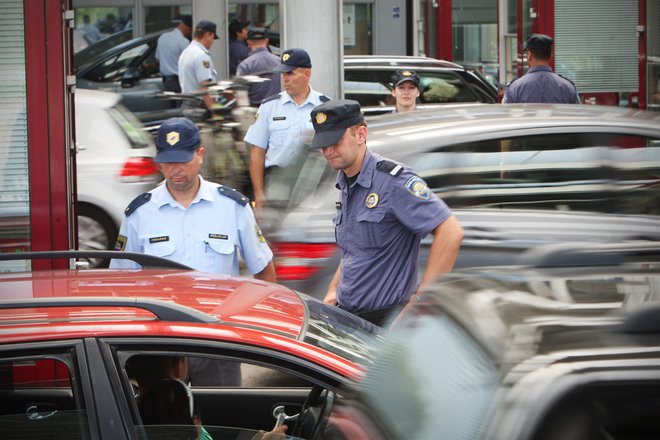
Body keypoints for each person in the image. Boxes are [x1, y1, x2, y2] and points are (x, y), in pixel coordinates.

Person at [110, 118, 276, 384]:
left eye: (183, 160)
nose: (176, 170)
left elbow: (264, 270)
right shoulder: (140, 213)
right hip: (162, 346)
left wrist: (255, 329)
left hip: (218, 343)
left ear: (200, 154)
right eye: (168, 162)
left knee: (223, 420)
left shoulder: (231, 206)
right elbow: (120, 282)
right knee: (168, 422)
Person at [309, 100, 464, 327]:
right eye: (323, 144)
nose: (328, 150)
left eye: (335, 141)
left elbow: (451, 232)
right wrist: (334, 291)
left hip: (386, 324)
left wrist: (421, 304)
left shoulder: (394, 181)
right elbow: (355, 249)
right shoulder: (345, 181)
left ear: (360, 135)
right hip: (351, 321)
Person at [244, 48, 330, 211]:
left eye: (290, 73)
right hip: (277, 184)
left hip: (313, 186)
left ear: (307, 74)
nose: (285, 79)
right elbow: (257, 151)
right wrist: (259, 193)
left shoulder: (325, 106)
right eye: (283, 74)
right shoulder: (269, 106)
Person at [502, 34, 580, 104]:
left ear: (529, 55)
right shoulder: (568, 87)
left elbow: (506, 115)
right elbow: (577, 115)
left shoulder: (515, 87)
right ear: (550, 57)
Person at [178, 20, 220, 113]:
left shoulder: (186, 52)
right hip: (199, 109)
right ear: (208, 35)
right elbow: (204, 88)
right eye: (213, 37)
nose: (213, 41)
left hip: (187, 105)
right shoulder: (201, 56)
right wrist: (216, 114)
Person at [236, 28, 281, 106]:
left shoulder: (244, 65)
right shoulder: (280, 61)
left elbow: (240, 93)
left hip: (256, 111)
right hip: (277, 109)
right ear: (267, 41)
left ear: (248, 42)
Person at [155, 15, 193, 93]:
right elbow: (189, 64)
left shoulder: (163, 37)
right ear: (188, 29)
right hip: (179, 82)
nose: (190, 34)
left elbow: (158, 61)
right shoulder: (184, 42)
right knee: (181, 104)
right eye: (191, 32)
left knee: (171, 105)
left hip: (166, 83)